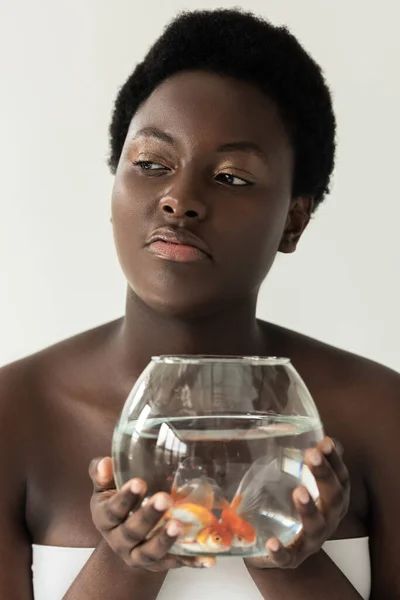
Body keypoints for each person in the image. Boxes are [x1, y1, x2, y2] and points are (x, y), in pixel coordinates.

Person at [0, 7, 398, 600]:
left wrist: (289, 558)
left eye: (233, 177)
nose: (178, 199)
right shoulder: (14, 417)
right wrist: (127, 563)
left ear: (294, 220)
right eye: (152, 165)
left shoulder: (381, 414)